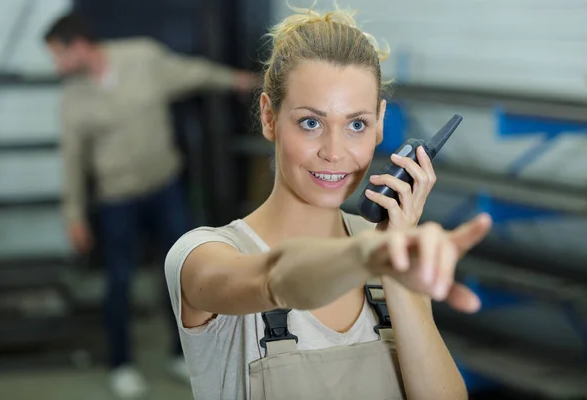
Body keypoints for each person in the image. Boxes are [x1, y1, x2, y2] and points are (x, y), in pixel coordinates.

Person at [165, 6, 492, 400]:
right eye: (311, 122)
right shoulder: (200, 256)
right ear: (269, 117)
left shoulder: (390, 250)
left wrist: (396, 274)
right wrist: (371, 254)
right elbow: (277, 277)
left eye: (357, 124)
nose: (335, 153)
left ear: (380, 123)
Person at [43, 12, 257, 400]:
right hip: (117, 200)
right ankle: (121, 364)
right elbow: (72, 160)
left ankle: (181, 353)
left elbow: (193, 72)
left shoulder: (141, 58)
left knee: (182, 274)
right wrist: (73, 215)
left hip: (165, 188)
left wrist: (238, 80)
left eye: (58, 55)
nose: (56, 66)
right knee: (119, 281)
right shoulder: (73, 97)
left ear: (78, 46)